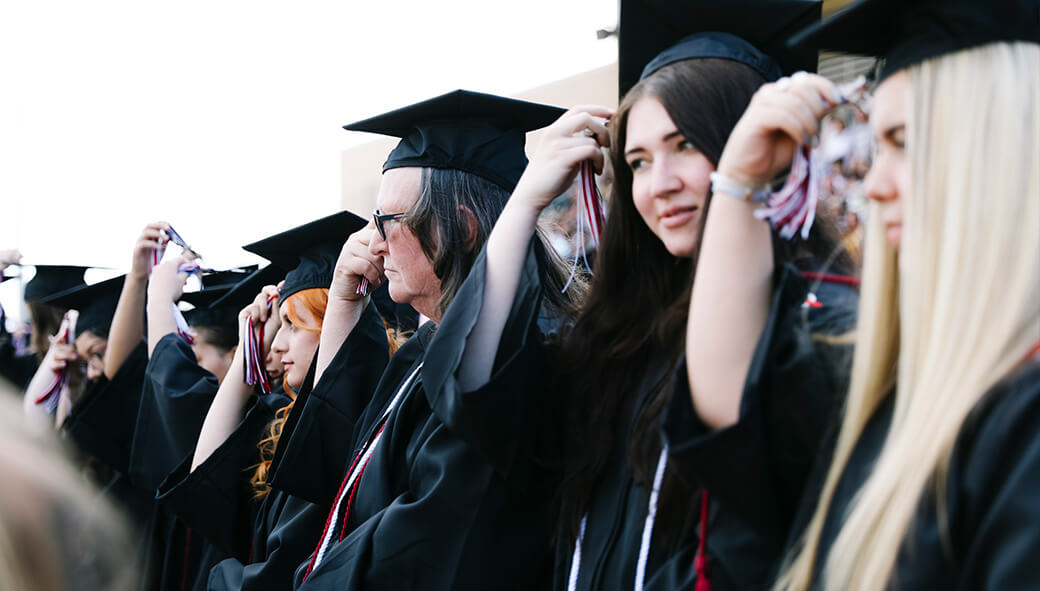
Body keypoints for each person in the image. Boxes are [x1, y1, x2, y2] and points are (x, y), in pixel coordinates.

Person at [438, 2, 860, 589]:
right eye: (636, 161)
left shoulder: (819, 323)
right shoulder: (614, 336)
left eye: (685, 144)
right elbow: (482, 392)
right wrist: (526, 200)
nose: (659, 184)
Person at [674, 0, 1040, 588]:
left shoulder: (1024, 426)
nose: (875, 182)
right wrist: (739, 181)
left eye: (901, 141)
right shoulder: (915, 376)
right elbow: (728, 398)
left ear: (992, 149)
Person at [260, 90, 577, 590]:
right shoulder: (422, 353)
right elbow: (337, 481)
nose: (373, 242)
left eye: (387, 221)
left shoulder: (515, 357)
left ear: (464, 228)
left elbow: (428, 546)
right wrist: (344, 307)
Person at [158, 210, 390, 591]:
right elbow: (206, 485)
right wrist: (246, 354)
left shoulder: (366, 417)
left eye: (294, 325)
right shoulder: (283, 413)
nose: (278, 344)